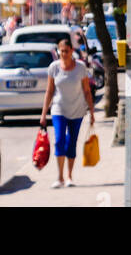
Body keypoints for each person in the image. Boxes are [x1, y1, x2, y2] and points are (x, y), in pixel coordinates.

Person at [40, 37, 95, 189]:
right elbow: (50, 91)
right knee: (59, 140)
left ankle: (69, 176)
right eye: (61, 51)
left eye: (66, 51)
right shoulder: (54, 67)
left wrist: (91, 111)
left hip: (77, 110)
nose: (63, 54)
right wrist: (44, 114)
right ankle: (59, 177)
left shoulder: (80, 68)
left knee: (71, 143)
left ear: (72, 51)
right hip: (59, 109)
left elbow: (86, 91)